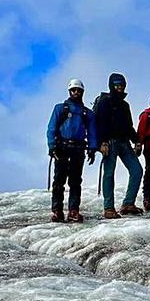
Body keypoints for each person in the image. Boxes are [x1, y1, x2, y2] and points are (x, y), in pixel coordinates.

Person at [46, 78, 98, 223]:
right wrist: (52, 146)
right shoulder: (60, 109)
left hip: (78, 148)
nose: (76, 92)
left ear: (82, 92)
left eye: (79, 90)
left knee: (75, 181)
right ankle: (57, 211)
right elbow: (51, 128)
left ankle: (73, 211)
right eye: (74, 90)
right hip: (62, 147)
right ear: (70, 91)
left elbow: (92, 131)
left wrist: (92, 148)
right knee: (59, 181)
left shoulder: (87, 113)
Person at [92, 72, 144, 219]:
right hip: (110, 142)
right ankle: (108, 208)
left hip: (124, 141)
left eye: (122, 85)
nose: (120, 88)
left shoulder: (124, 105)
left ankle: (128, 203)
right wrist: (101, 143)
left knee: (137, 170)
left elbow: (129, 126)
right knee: (109, 173)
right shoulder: (104, 102)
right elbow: (99, 124)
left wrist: (137, 141)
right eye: (117, 85)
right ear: (111, 85)